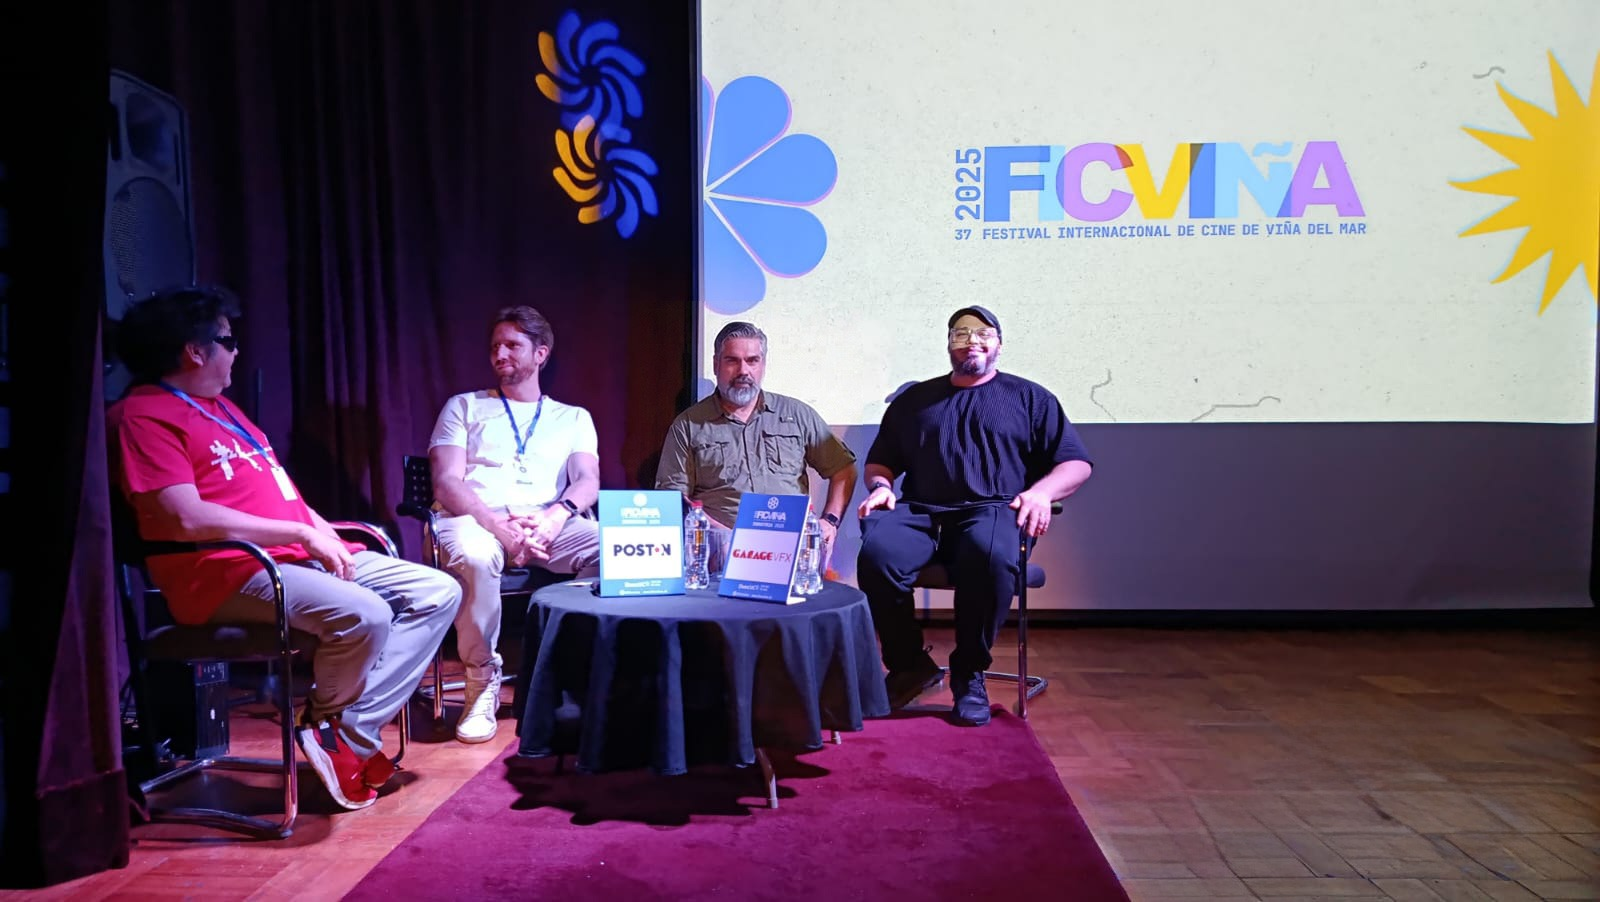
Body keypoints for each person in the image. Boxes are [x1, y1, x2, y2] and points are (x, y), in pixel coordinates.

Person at [108, 286, 462, 810]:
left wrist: (321, 533)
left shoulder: (225, 410)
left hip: (291, 560)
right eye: (228, 341)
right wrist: (299, 535)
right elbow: (183, 517)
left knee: (437, 591)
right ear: (195, 351)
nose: (236, 351)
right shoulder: (143, 416)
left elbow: (285, 497)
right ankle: (338, 734)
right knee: (365, 613)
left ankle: (342, 730)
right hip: (225, 572)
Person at [857, 306, 1093, 726]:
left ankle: (969, 674)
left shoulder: (1030, 398)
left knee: (988, 554)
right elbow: (881, 462)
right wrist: (880, 487)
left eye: (983, 334)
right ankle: (910, 666)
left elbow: (1075, 463)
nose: (972, 342)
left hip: (992, 508)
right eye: (962, 334)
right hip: (923, 510)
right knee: (877, 555)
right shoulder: (915, 401)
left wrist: (1041, 493)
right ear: (949, 344)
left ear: (999, 345)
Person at [429, 305, 601, 743]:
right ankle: (481, 680)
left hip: (545, 522)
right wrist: (497, 525)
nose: (499, 354)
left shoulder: (573, 417)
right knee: (475, 554)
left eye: (512, 345)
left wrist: (554, 516)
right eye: (495, 347)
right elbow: (446, 482)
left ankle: (565, 668)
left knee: (614, 552)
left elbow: (587, 481)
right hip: (473, 518)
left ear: (540, 353)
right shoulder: (464, 406)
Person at [654, 321, 857, 564]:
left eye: (752, 361)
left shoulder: (797, 415)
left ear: (763, 365)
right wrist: (722, 537)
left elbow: (843, 469)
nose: (743, 371)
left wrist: (830, 522)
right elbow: (674, 499)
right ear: (716, 364)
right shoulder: (688, 425)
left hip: (793, 553)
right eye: (732, 360)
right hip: (723, 556)